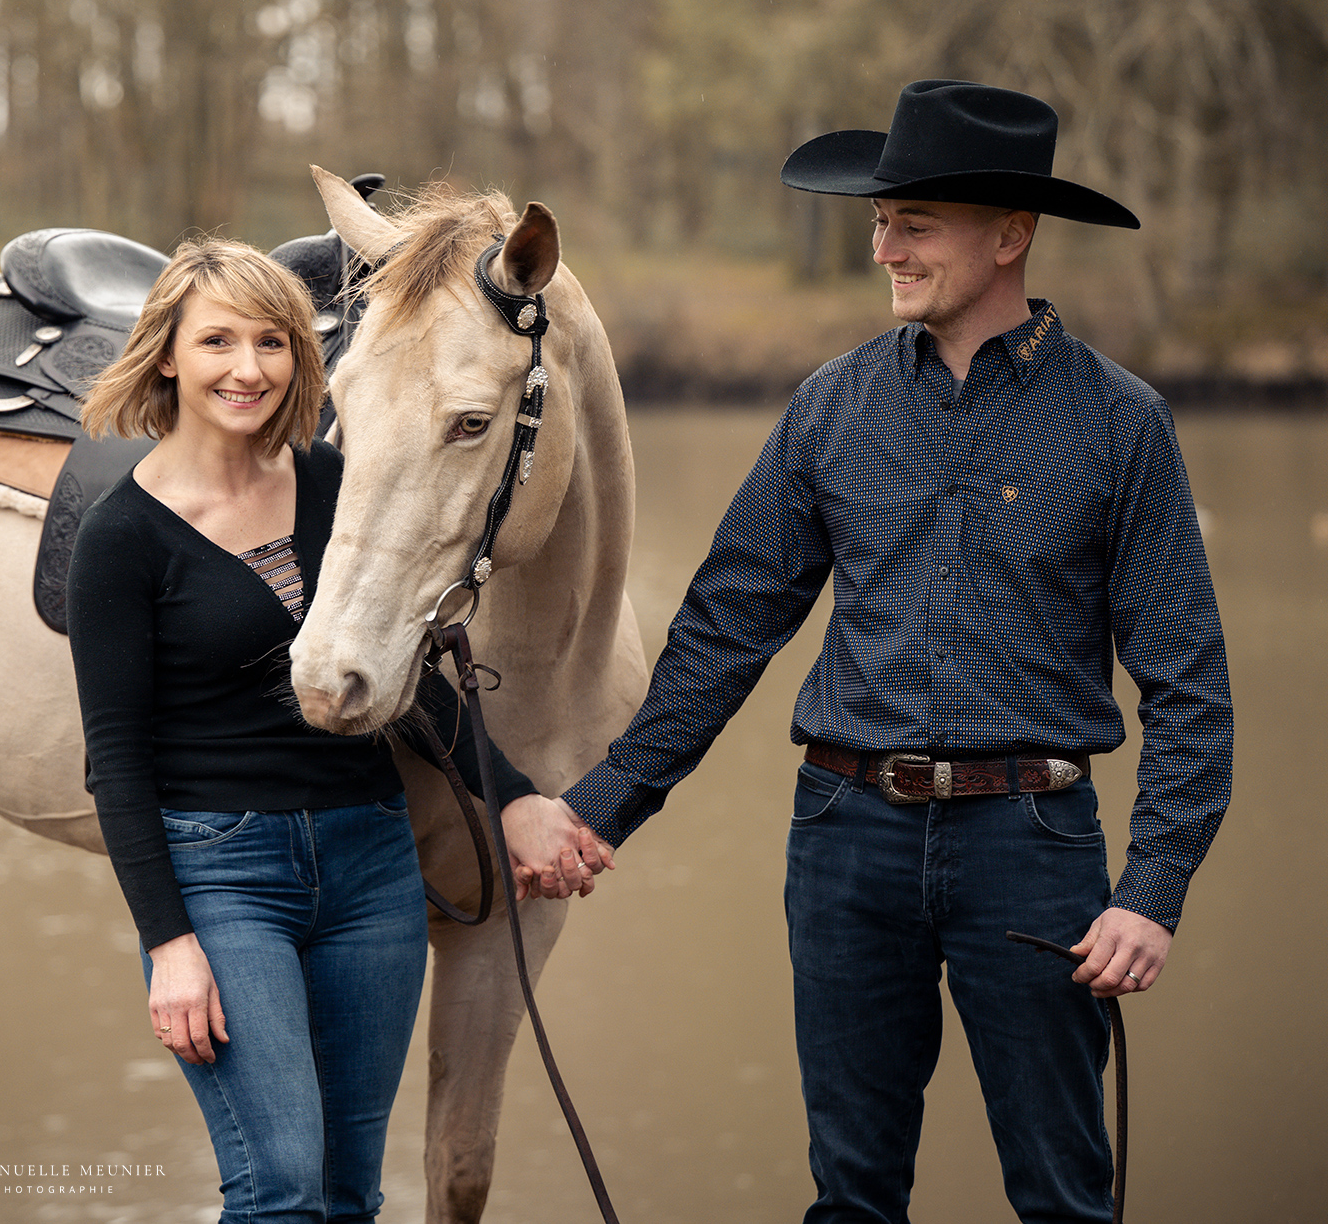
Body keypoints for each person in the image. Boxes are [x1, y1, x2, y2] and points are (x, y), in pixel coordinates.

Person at [511, 80, 1234, 1222]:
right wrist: (599, 805)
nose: (884, 247)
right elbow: (724, 628)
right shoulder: (827, 408)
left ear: (1010, 234)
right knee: (849, 1197)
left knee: (1060, 1195)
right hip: (844, 840)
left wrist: (1150, 890)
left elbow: (1189, 689)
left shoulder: (1117, 423)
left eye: (915, 223)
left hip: (1032, 843)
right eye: (877, 222)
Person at [65, 236, 597, 1224]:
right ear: (169, 354)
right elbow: (116, 763)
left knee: (351, 1194)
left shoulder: (326, 485)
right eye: (216, 340)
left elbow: (409, 685)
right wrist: (169, 945)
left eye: (271, 342)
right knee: (279, 1192)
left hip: (368, 866)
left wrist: (516, 798)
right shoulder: (122, 536)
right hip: (223, 875)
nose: (247, 368)